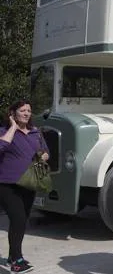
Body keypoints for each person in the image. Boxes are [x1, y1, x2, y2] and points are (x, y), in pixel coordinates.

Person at [0, 99, 49, 274]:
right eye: (22, 110)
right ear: (13, 114)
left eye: (29, 110)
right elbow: (1, 146)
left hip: (29, 182)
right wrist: (13, 127)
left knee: (21, 221)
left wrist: (43, 155)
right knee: (18, 220)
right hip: (8, 184)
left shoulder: (35, 132)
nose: (27, 113)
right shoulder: (4, 131)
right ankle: (17, 261)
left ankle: (13, 256)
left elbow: (45, 151)